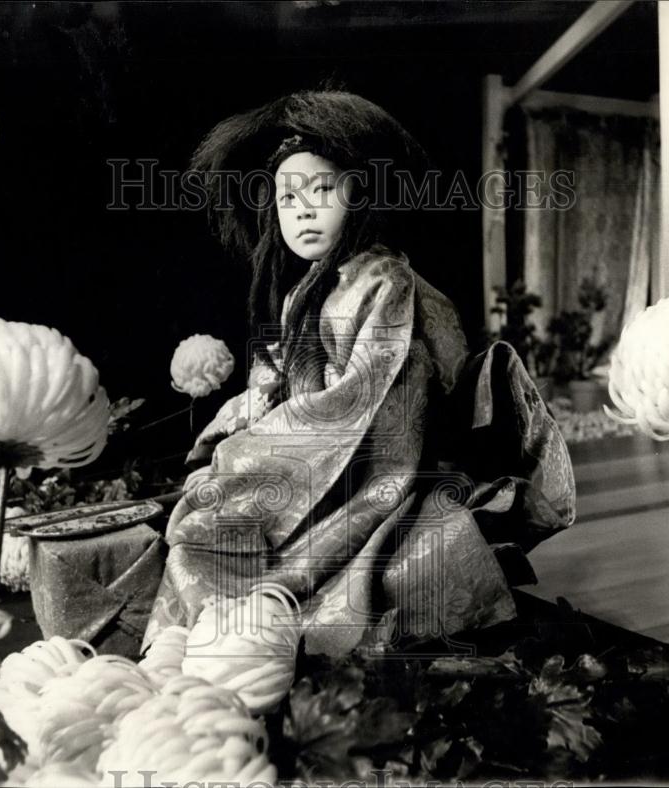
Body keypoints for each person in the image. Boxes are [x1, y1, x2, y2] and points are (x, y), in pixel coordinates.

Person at [144, 90, 575, 657]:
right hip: (317, 451)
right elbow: (282, 375)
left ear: (358, 193)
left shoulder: (383, 280)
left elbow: (367, 401)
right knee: (206, 511)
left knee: (216, 528)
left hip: (370, 461)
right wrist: (242, 418)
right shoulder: (311, 284)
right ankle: (210, 641)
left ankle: (232, 640)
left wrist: (248, 453)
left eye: (321, 190)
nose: (302, 209)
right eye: (287, 196)